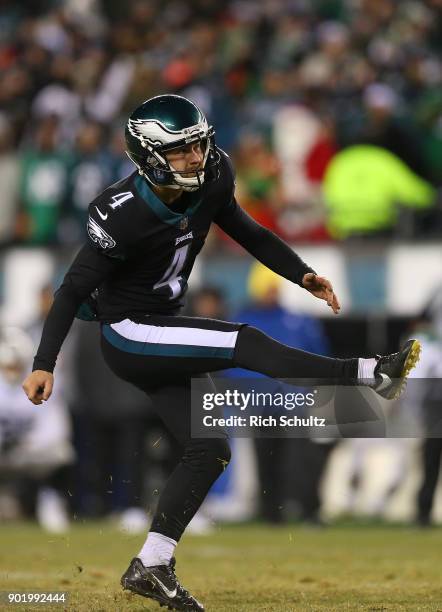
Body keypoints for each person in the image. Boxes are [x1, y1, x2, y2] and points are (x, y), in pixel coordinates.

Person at [23, 94, 421, 612]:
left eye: (199, 144)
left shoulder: (213, 177)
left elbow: (247, 231)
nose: (197, 156)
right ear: (148, 155)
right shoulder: (118, 212)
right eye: (183, 150)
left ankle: (153, 564)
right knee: (243, 340)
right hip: (129, 333)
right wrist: (43, 363)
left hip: (161, 327)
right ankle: (369, 373)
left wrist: (301, 273)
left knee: (208, 448)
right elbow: (72, 292)